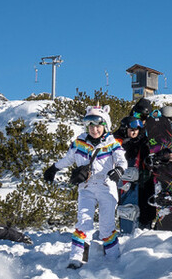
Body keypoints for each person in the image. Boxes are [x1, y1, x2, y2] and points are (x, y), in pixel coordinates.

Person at [44, 106, 128, 268]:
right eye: (90, 126)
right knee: (83, 222)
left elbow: (121, 160)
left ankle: (113, 260)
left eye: (98, 126)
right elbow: (68, 159)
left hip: (106, 186)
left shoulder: (112, 143)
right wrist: (54, 168)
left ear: (105, 126)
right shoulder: (79, 142)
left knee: (106, 226)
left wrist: (119, 170)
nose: (94, 130)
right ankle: (77, 259)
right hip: (86, 187)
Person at [117, 116, 147, 234]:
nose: (134, 132)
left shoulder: (143, 142)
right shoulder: (117, 142)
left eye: (136, 129)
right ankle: (126, 232)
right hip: (124, 180)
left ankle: (139, 233)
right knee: (127, 208)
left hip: (141, 180)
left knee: (140, 209)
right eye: (131, 129)